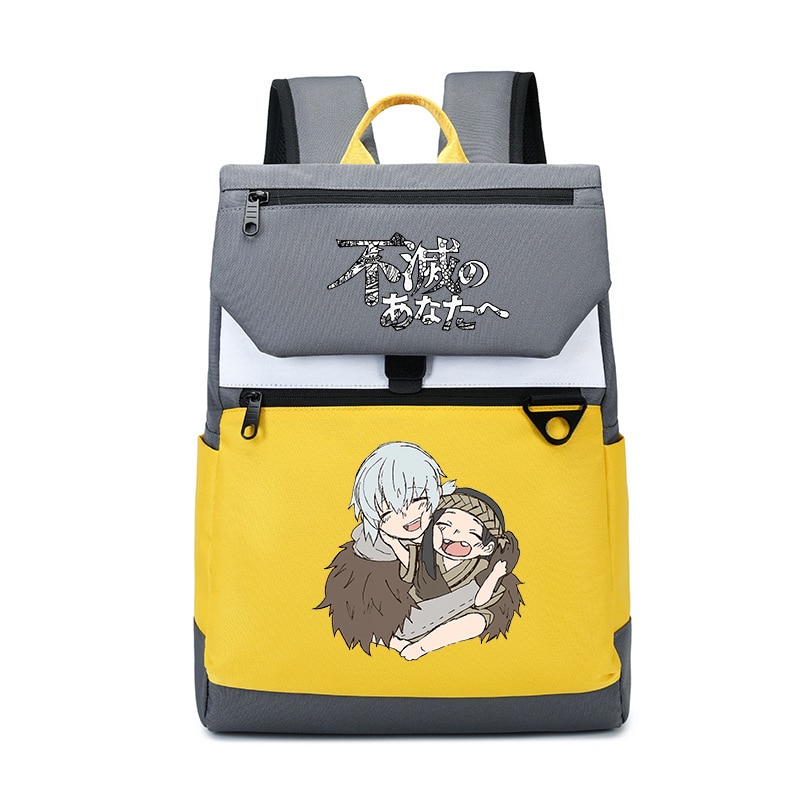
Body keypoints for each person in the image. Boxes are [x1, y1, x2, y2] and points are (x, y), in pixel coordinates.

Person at [317, 441, 455, 653]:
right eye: (390, 510)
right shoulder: (376, 554)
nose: (408, 514)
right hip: (383, 609)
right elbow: (417, 579)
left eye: (418, 499)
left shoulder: (442, 518)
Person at [385, 488, 523, 661]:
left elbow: (480, 601)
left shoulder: (482, 568)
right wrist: (393, 542)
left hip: (455, 617)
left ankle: (422, 646)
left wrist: (495, 574)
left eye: (470, 531)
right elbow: (409, 567)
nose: (455, 533)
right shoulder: (424, 554)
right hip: (413, 611)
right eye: (444, 526)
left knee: (477, 622)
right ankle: (396, 642)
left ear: (486, 547)